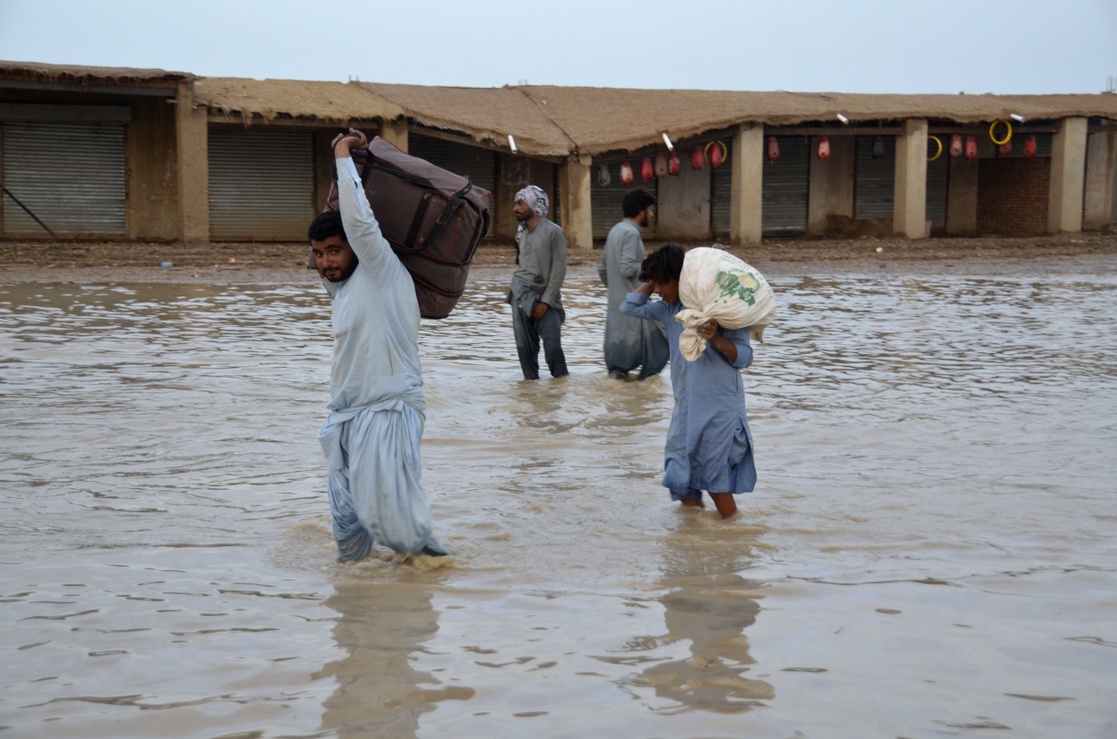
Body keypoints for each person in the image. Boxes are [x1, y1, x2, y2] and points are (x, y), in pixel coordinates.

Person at [308, 127, 447, 560]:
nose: (327, 261)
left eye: (335, 250)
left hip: (389, 410)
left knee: (397, 525)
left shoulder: (381, 270)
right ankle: (357, 608)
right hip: (346, 416)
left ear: (358, 248)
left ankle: (431, 578)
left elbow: (359, 220)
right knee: (348, 531)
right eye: (319, 254)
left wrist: (342, 153)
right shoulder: (343, 288)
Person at [619, 244, 756, 518]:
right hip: (685, 410)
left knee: (715, 480)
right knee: (681, 480)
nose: (657, 290)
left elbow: (745, 357)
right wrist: (652, 279)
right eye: (653, 283)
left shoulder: (720, 311)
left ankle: (733, 542)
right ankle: (697, 542)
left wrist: (715, 338)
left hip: (720, 411)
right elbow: (628, 307)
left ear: (680, 279)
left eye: (661, 282)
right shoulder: (668, 311)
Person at [597, 188, 668, 380]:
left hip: (617, 305)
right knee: (664, 338)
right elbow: (627, 268)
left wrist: (615, 291)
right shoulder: (631, 234)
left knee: (618, 372)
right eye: (650, 210)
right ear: (641, 211)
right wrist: (652, 266)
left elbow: (602, 269)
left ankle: (631, 397)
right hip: (633, 305)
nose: (652, 215)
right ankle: (644, 386)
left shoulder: (615, 230)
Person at [507, 185, 569, 380]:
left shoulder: (554, 232)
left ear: (534, 206)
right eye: (515, 204)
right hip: (520, 297)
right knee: (525, 352)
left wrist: (545, 301)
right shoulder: (521, 233)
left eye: (520, 203)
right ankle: (531, 396)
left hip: (546, 301)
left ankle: (560, 392)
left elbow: (559, 270)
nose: (515, 208)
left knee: (553, 350)